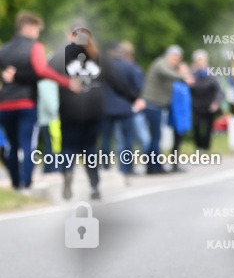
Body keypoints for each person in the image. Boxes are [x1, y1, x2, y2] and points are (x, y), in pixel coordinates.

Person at [0, 11, 80, 190]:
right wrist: (67, 82)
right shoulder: (35, 47)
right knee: (28, 144)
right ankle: (26, 183)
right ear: (28, 28)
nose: (38, 34)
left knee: (12, 146)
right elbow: (42, 70)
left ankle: (15, 183)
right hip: (26, 103)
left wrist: (13, 77)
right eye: (37, 30)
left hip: (5, 104)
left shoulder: (4, 49)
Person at [51, 25, 106, 199]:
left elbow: (45, 70)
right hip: (93, 109)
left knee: (68, 147)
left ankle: (67, 174)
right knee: (90, 148)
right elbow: (112, 77)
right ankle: (94, 186)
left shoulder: (61, 54)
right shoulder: (96, 54)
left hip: (69, 108)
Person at [141, 46, 192, 173]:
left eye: (179, 58)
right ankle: (153, 166)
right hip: (152, 104)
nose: (177, 60)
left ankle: (155, 165)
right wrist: (183, 75)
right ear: (169, 55)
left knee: (156, 136)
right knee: (155, 136)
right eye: (175, 57)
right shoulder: (161, 63)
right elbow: (169, 74)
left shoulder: (168, 66)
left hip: (158, 105)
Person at [100, 41, 145, 178]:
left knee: (106, 139)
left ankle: (105, 168)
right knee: (127, 138)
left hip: (106, 108)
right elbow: (138, 87)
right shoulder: (129, 67)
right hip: (125, 108)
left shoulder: (102, 68)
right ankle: (126, 168)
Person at [189, 49, 222, 152]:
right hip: (196, 104)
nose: (200, 63)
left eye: (202, 61)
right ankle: (198, 146)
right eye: (198, 61)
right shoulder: (192, 74)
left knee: (208, 127)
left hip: (209, 105)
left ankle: (206, 147)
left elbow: (218, 90)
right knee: (197, 126)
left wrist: (216, 102)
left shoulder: (212, 74)